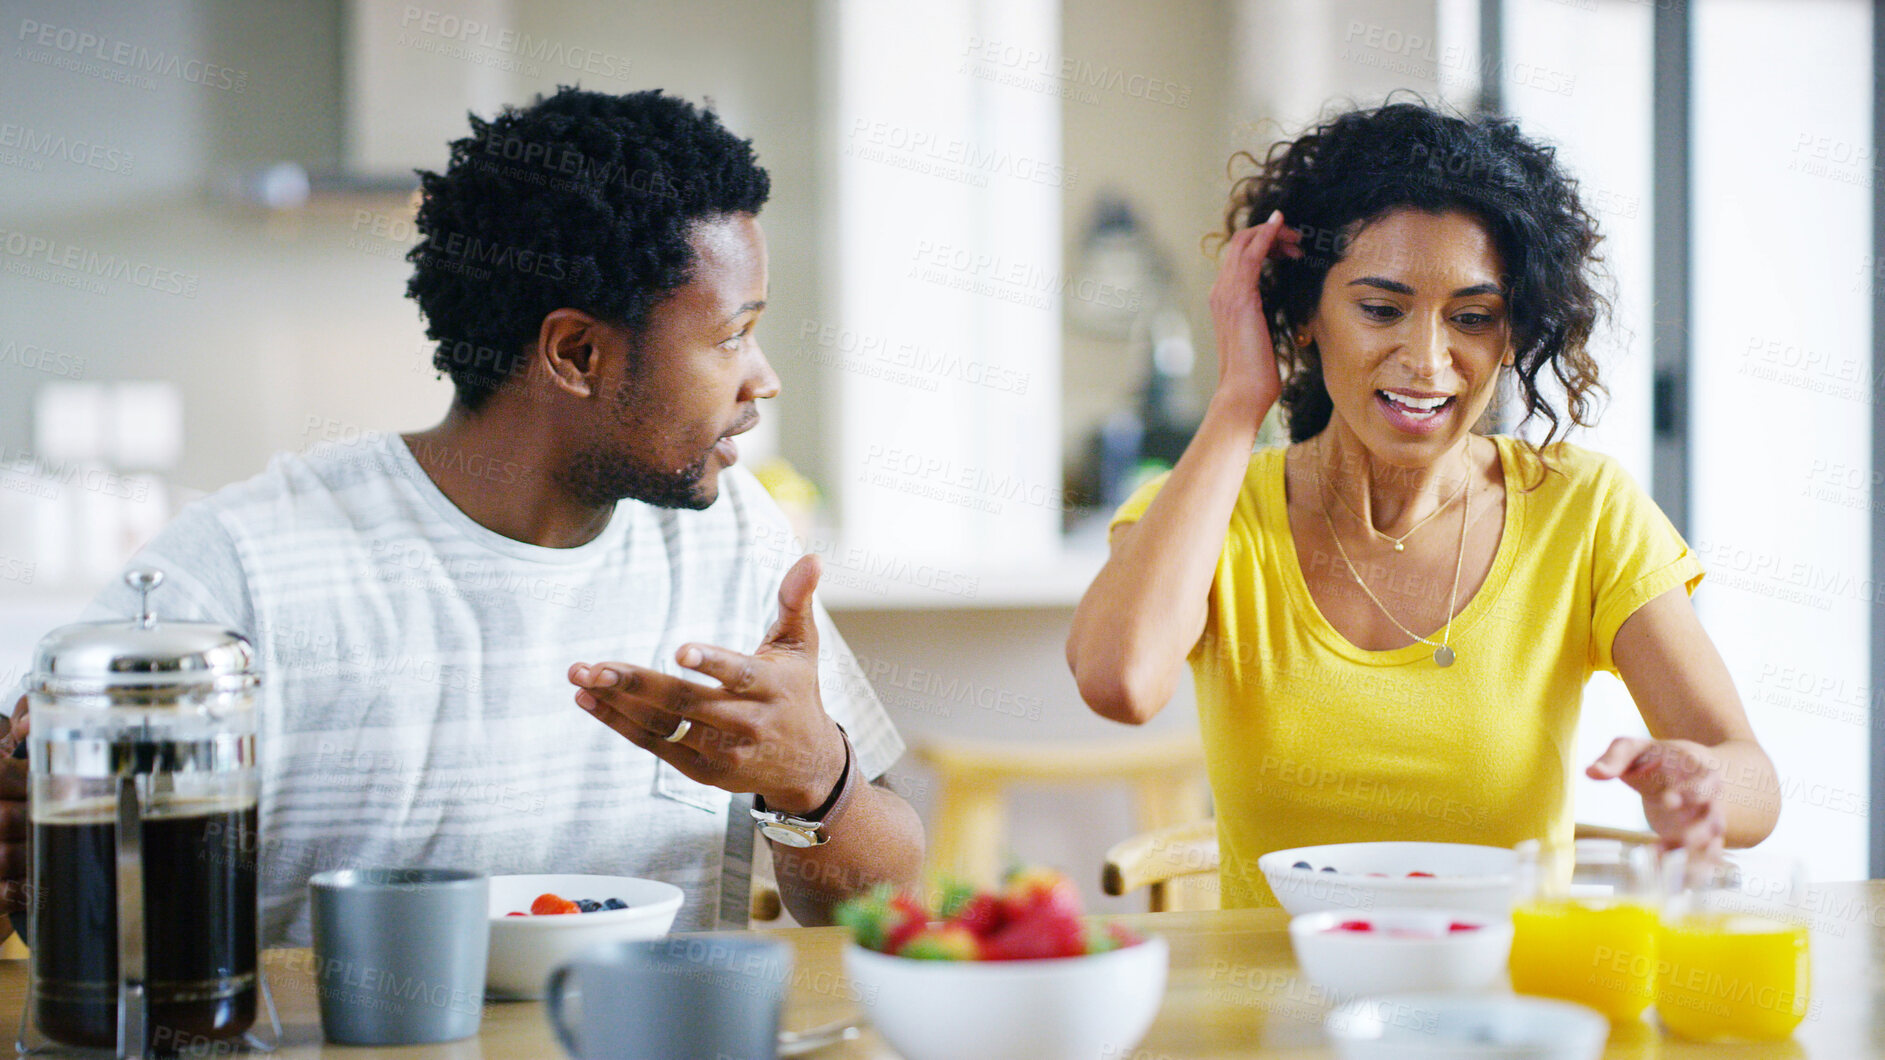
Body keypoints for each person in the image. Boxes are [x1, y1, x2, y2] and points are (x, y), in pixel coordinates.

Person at [0, 87, 923, 945]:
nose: (763, 378)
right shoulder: (240, 570)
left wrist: (817, 779)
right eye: (731, 335)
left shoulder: (733, 538)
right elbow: (67, 920)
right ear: (575, 353)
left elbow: (873, 906)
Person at [1066, 101, 1779, 909]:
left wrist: (1704, 780)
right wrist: (1237, 399)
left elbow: (1752, 781)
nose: (1426, 359)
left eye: (1471, 319)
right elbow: (1118, 683)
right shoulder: (1211, 510)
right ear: (1305, 314)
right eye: (1379, 309)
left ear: (1511, 334)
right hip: (1277, 1018)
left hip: (1505, 1008)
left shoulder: (1582, 509)